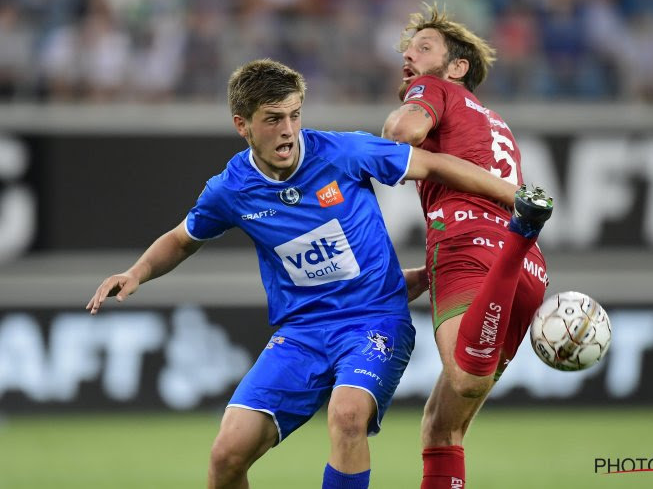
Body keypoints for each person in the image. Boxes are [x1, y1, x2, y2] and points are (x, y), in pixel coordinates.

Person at [85, 58, 525, 489]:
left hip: (373, 324)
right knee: (226, 455)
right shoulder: (231, 189)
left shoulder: (343, 152)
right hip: (301, 334)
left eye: (294, 115)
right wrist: (137, 272)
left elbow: (435, 165)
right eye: (273, 118)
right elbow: (183, 238)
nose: (289, 130)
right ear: (243, 125)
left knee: (347, 414)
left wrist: (515, 196)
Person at [382, 4, 554, 488]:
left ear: (456, 67)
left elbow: (403, 134)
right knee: (442, 427)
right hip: (527, 273)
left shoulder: (435, 89)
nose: (408, 58)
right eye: (407, 50)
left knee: (463, 377)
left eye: (423, 48)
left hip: (469, 248)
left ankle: (520, 236)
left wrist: (398, 118)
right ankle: (521, 239)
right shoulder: (495, 121)